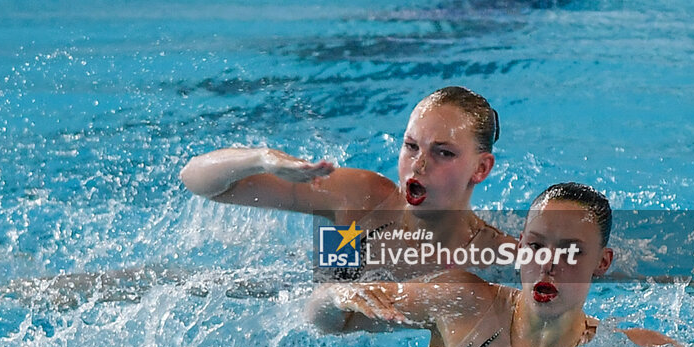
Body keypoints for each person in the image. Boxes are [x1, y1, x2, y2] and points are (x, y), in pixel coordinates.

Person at [307, 182, 680, 347]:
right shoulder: (464, 300)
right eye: (536, 246)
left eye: (571, 251)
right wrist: (339, 295)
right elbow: (324, 323)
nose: (548, 264)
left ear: (602, 262)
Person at [180, 86, 515, 280]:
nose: (419, 164)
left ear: (481, 169)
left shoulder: (496, 259)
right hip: (282, 284)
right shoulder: (363, 198)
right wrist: (262, 160)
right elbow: (196, 179)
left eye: (443, 153)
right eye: (411, 146)